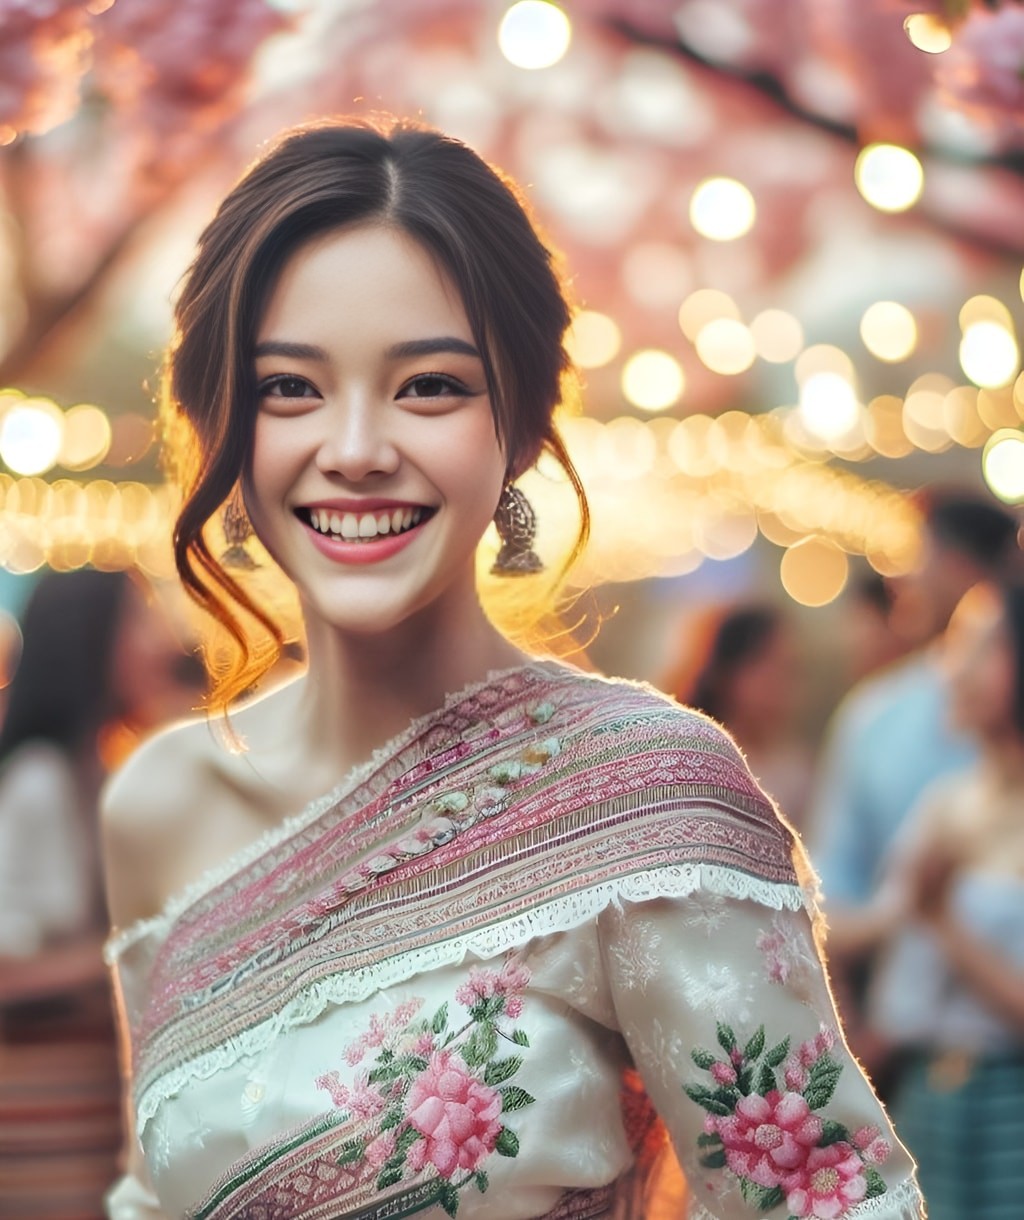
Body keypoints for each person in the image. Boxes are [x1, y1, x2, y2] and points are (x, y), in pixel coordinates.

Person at [101, 118, 924, 1220]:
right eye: (289, 388)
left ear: (523, 424)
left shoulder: (648, 794)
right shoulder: (155, 807)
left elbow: (829, 1199)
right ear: (221, 427)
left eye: (428, 386)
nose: (354, 447)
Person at [0, 568, 196, 1220]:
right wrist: (142, 945)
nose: (161, 640)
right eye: (140, 620)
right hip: (40, 1127)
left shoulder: (96, 771)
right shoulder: (40, 782)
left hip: (80, 1121)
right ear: (93, 639)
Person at [867, 580, 1024, 1218]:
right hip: (926, 1100)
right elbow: (881, 926)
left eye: (978, 648)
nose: (953, 668)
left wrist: (944, 922)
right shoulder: (948, 803)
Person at [662, 603, 813, 830]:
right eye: (765, 665)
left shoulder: (797, 771)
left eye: (788, 668)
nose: (778, 684)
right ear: (726, 670)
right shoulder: (694, 763)